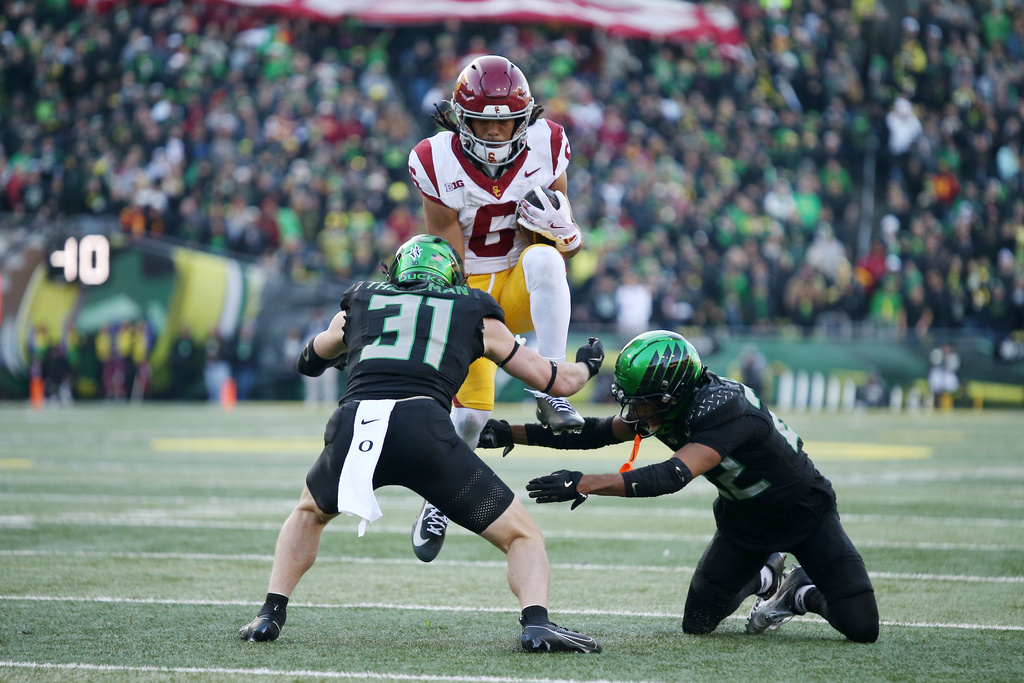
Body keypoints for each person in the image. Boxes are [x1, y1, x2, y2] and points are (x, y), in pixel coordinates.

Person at [238, 235, 605, 653]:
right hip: (423, 431)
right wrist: (588, 366)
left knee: (308, 513)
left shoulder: (363, 300)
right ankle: (536, 623)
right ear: (452, 275)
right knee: (522, 537)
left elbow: (309, 359)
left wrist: (355, 349)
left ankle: (270, 613)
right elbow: (552, 379)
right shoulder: (471, 310)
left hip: (355, 425)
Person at [477, 330, 879, 643]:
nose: (636, 412)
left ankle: (800, 592)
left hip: (805, 513)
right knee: (698, 623)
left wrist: (585, 482)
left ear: (673, 392)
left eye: (644, 403)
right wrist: (508, 432)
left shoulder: (723, 408)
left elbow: (671, 475)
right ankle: (768, 578)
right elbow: (593, 432)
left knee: (861, 627)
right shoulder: (670, 404)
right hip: (745, 524)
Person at [407, 54, 587, 560]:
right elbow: (447, 253)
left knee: (547, 263)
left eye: (506, 119)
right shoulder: (434, 159)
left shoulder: (548, 144)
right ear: (461, 119)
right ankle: (434, 499)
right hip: (466, 287)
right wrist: (469, 323)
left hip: (517, 280)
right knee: (466, 422)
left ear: (524, 116)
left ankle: (550, 387)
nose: (495, 131)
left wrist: (568, 235)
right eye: (484, 120)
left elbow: (560, 244)